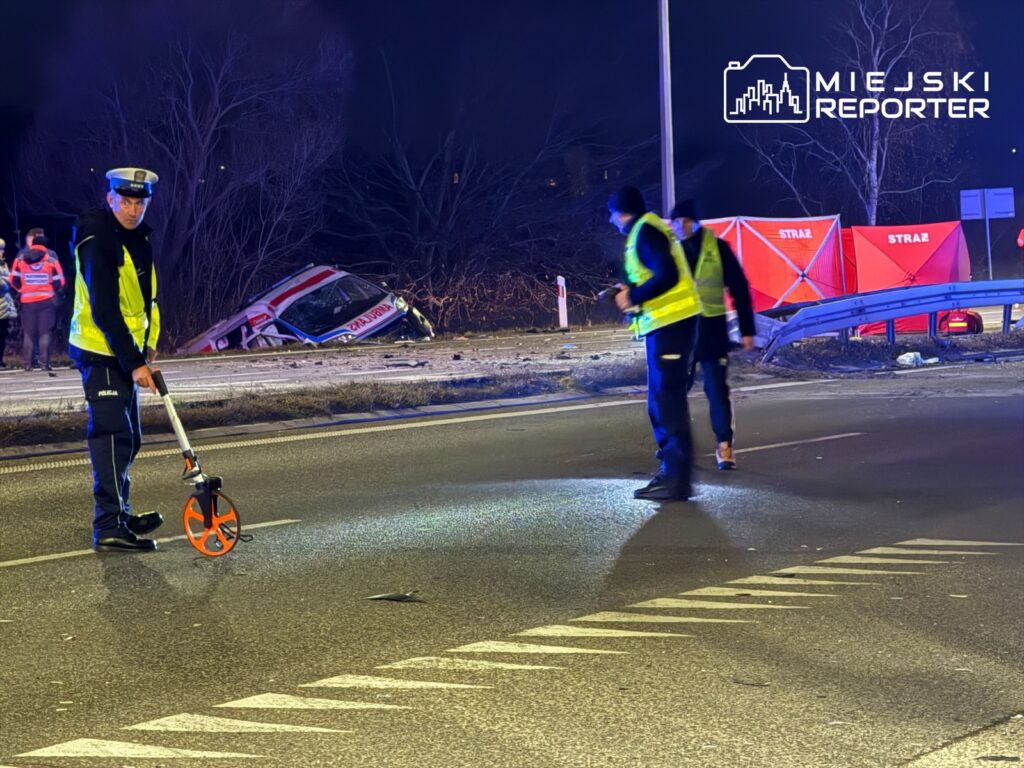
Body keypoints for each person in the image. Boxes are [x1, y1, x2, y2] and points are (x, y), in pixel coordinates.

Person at [70, 167, 164, 551]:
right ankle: (108, 525)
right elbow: (105, 310)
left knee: (129, 438)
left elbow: (146, 299)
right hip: (101, 349)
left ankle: (121, 512)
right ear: (109, 199)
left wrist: (148, 343)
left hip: (125, 352)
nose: (132, 210)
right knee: (110, 437)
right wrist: (135, 362)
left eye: (139, 203)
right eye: (124, 201)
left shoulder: (136, 237)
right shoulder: (98, 238)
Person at [609, 186, 703, 501]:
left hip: (672, 326)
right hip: (668, 327)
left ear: (623, 211)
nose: (612, 220)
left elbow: (668, 275)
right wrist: (630, 288)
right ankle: (672, 475)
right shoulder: (646, 229)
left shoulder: (645, 231)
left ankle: (676, 481)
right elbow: (658, 273)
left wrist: (632, 296)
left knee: (667, 404)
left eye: (613, 213)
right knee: (662, 402)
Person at [669, 200, 756, 471]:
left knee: (717, 390)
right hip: (680, 332)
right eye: (675, 221)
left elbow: (739, 288)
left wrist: (747, 329)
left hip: (711, 332)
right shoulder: (670, 251)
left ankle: (724, 445)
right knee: (673, 393)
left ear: (696, 222)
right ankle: (675, 447)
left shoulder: (717, 248)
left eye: (685, 220)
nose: (680, 226)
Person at [10, 234, 65, 371]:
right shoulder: (51, 261)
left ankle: (27, 364)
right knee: (44, 333)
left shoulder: (20, 259)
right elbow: (60, 281)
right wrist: (52, 290)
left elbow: (13, 279)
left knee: (28, 333)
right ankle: (44, 364)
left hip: (27, 301)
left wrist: (21, 289)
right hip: (46, 300)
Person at [0, 239, 16, 368]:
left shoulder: (3, 264)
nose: (1, 252)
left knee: (2, 335)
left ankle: (0, 360)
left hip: (4, 306)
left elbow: (11, 281)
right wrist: (6, 281)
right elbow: (4, 284)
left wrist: (6, 281)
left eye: (2, 249)